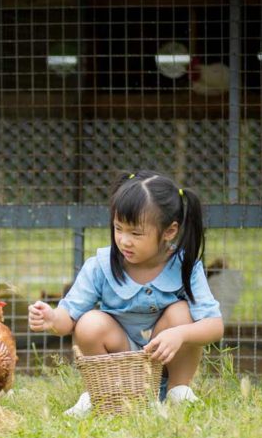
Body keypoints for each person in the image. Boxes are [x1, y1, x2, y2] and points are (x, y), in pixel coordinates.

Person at [28, 170, 224, 417]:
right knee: (89, 323)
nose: (124, 241)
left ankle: (178, 391)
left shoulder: (185, 267)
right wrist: (52, 319)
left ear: (169, 231)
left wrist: (180, 334)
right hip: (120, 359)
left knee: (181, 312)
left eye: (136, 233)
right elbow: (69, 317)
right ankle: (103, 393)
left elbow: (215, 325)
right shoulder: (100, 265)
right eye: (118, 228)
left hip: (164, 358)